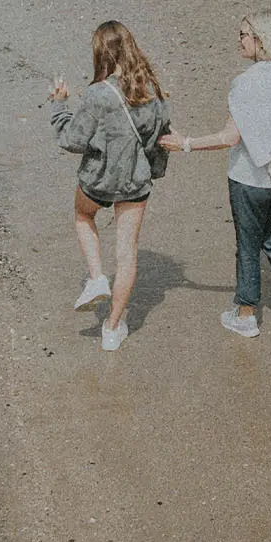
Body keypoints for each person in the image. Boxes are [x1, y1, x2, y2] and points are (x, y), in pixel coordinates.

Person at [160, 9, 271, 340]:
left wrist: (186, 144)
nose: (238, 40)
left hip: (251, 180)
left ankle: (246, 314)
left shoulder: (246, 83)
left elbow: (229, 138)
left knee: (248, 245)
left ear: (260, 39)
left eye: (243, 35)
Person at [49, 21, 172, 351]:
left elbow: (71, 140)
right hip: (135, 181)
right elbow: (161, 134)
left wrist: (60, 105)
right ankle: (112, 328)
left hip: (99, 178)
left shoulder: (98, 94)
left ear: (100, 52)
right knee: (127, 253)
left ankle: (96, 278)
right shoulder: (152, 90)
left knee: (82, 216)